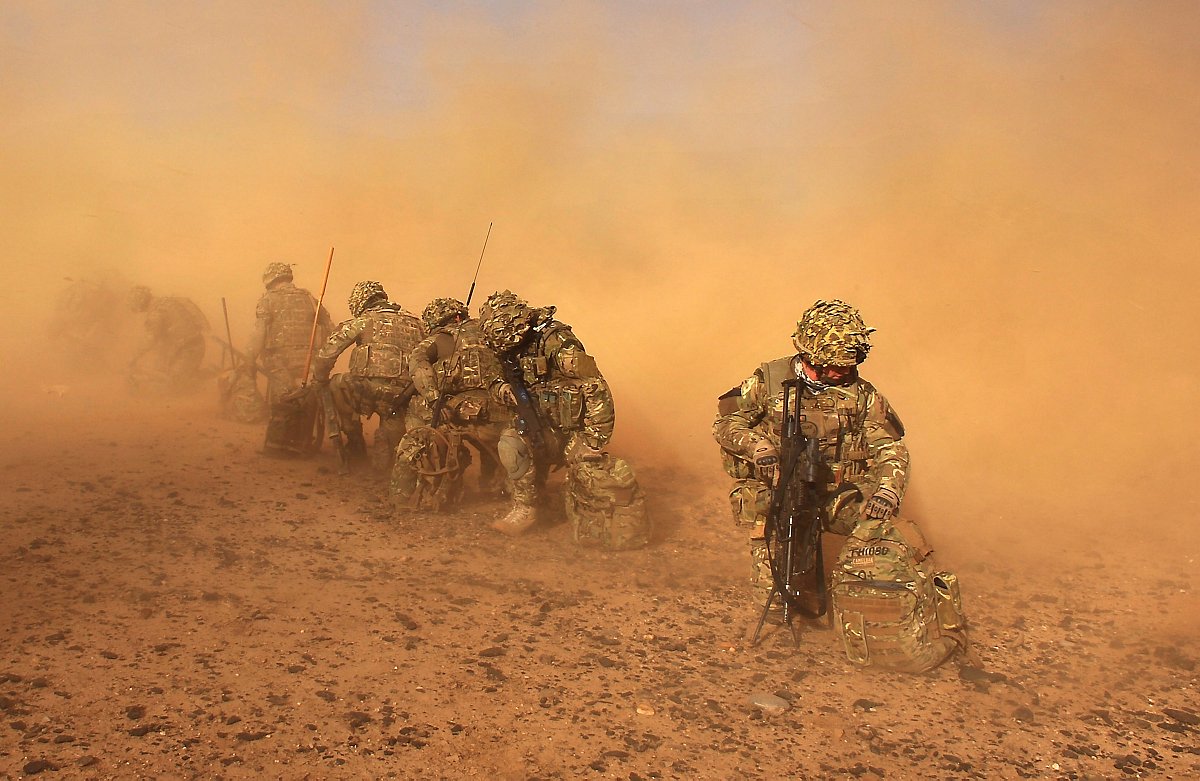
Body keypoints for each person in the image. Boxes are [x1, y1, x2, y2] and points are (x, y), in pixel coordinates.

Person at [713, 299, 966, 670]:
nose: (842, 373)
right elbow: (726, 425)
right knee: (772, 549)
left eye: (848, 366)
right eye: (835, 366)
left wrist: (886, 491)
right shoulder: (768, 381)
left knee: (884, 536)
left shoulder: (863, 395)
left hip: (838, 492)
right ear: (811, 354)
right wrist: (759, 448)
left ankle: (880, 616)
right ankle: (780, 598)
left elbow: (890, 448)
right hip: (779, 489)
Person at [477, 290, 648, 548]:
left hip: (573, 432)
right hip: (537, 426)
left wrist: (593, 440)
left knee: (590, 475)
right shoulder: (503, 348)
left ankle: (597, 518)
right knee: (510, 445)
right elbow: (492, 380)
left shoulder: (556, 341)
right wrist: (504, 391)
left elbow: (595, 387)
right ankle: (526, 508)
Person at [390, 297, 507, 508]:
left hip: (458, 409)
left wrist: (433, 398)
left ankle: (403, 493)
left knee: (416, 417)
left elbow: (417, 361)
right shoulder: (492, 334)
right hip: (498, 411)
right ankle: (492, 484)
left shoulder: (441, 338)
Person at [311, 280, 424, 472]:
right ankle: (391, 449)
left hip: (367, 390)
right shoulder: (417, 324)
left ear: (359, 303)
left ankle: (355, 443)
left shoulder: (364, 320)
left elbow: (327, 353)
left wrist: (319, 378)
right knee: (392, 430)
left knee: (336, 385)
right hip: (403, 396)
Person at [242, 262, 332, 454]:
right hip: (309, 359)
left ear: (270, 281)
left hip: (278, 359)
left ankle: (279, 446)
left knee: (283, 401)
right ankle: (303, 444)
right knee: (307, 399)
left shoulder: (268, 300)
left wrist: (250, 357)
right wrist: (322, 356)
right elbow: (330, 328)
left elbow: (259, 333)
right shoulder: (310, 298)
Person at [127, 285, 210, 394]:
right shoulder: (165, 302)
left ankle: (213, 380)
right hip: (188, 347)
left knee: (173, 387)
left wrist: (133, 357)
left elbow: (150, 339)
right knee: (164, 374)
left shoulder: (156, 312)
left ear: (139, 301)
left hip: (188, 350)